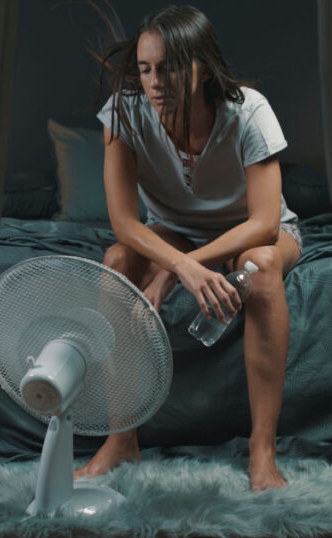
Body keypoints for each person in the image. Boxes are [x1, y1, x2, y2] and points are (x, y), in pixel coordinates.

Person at [74, 5, 302, 492]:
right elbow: (124, 223)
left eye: (170, 67)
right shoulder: (124, 114)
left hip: (252, 233)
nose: (155, 82)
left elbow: (263, 224)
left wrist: (182, 269)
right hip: (171, 232)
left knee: (260, 268)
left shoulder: (249, 112)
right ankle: (120, 441)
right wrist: (175, 263)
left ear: (200, 68)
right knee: (115, 262)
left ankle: (263, 451)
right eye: (145, 68)